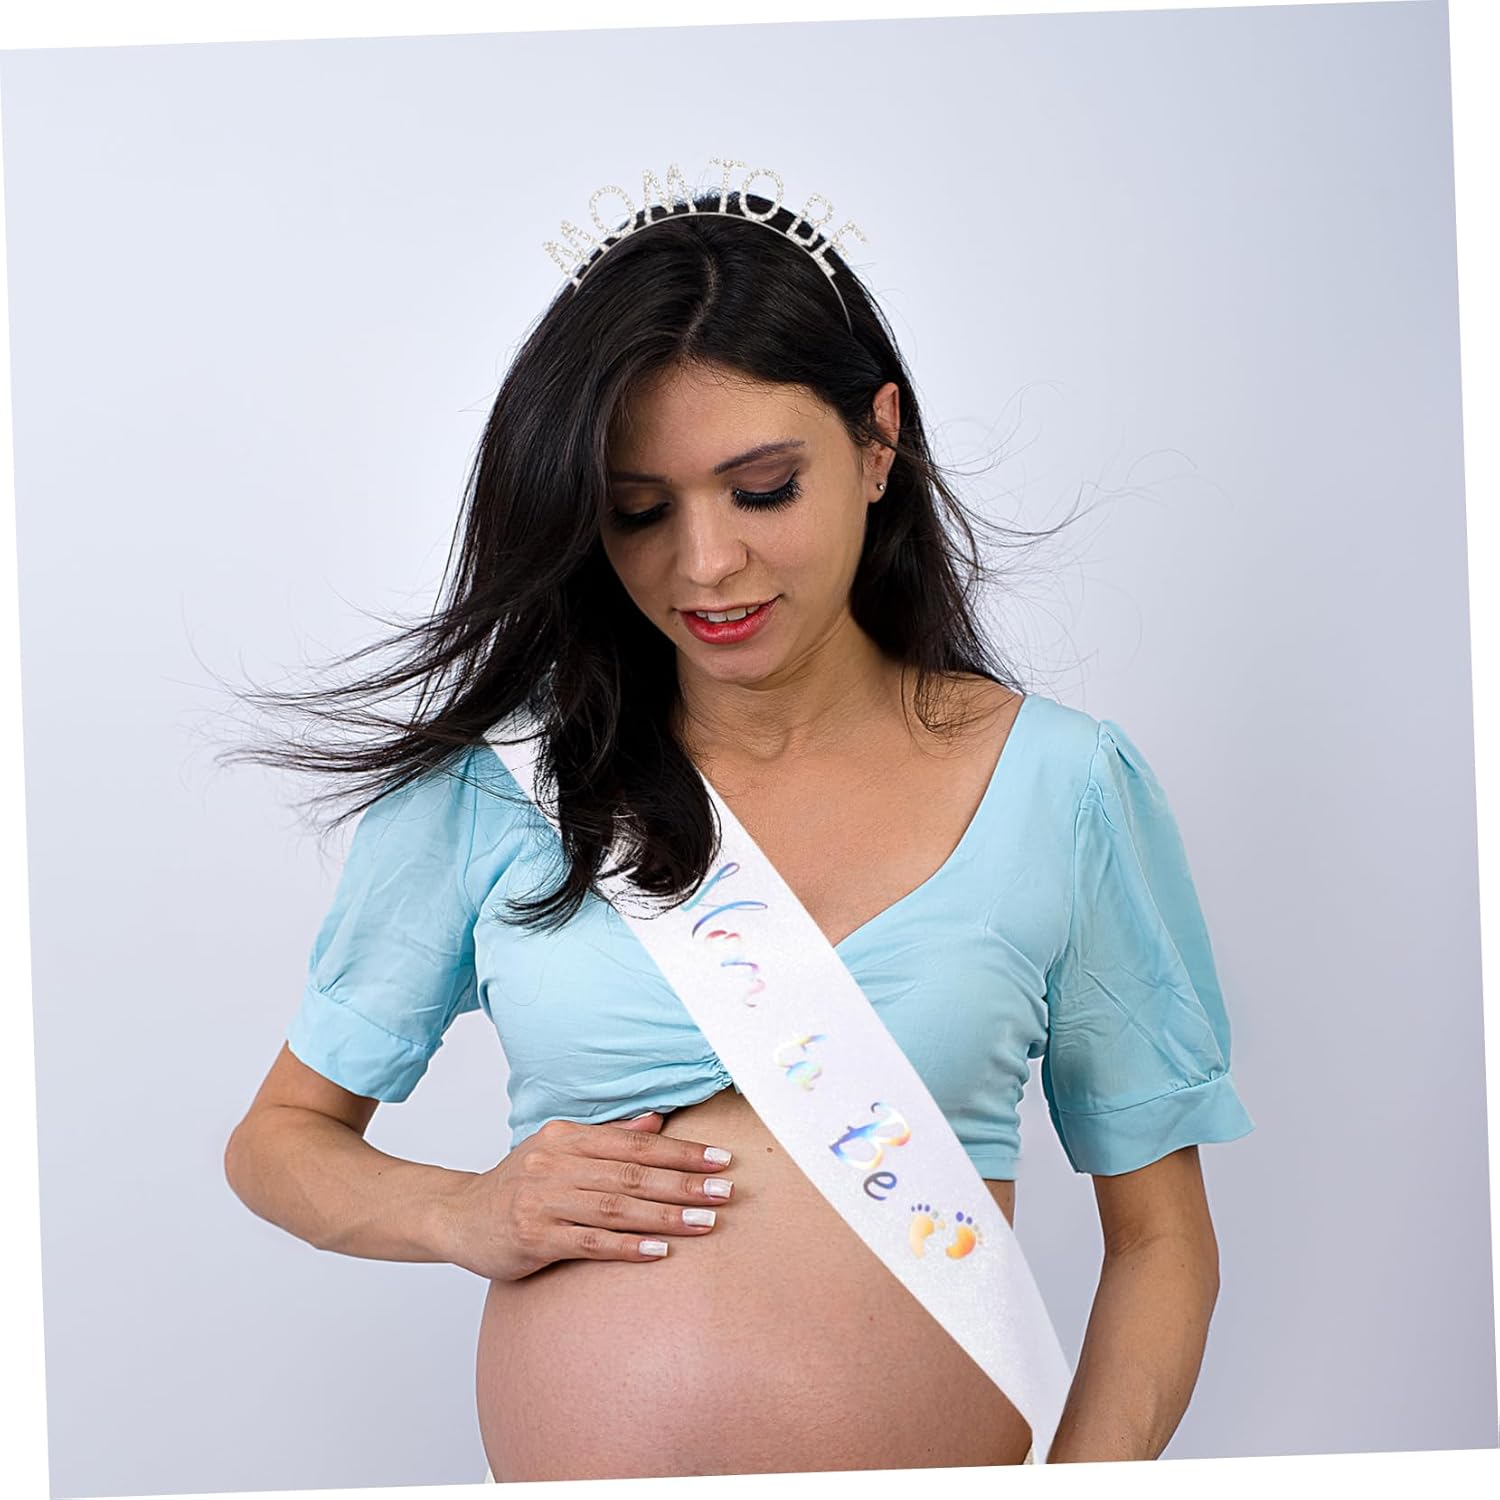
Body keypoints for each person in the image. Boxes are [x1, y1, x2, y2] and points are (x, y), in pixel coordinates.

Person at [222, 175, 1255, 1482]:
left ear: (878, 443)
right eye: (640, 510)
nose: (705, 564)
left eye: (763, 488)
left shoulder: (1060, 784)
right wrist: (464, 1211)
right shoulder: (500, 789)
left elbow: (1161, 1240)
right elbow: (279, 1142)